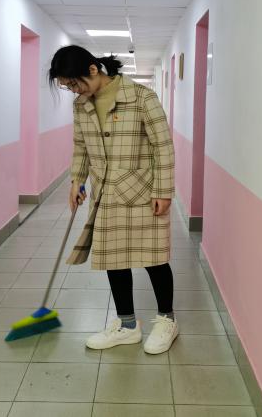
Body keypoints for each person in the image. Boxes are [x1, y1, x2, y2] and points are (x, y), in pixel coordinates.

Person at [48, 44, 177, 354]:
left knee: (155, 259)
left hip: (142, 192)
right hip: (105, 193)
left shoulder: (142, 98)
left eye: (74, 83)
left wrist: (163, 191)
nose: (74, 90)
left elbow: (163, 147)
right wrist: (77, 180)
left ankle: (167, 320)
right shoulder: (81, 105)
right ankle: (127, 325)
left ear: (93, 70)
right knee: (113, 259)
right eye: (67, 87)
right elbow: (81, 146)